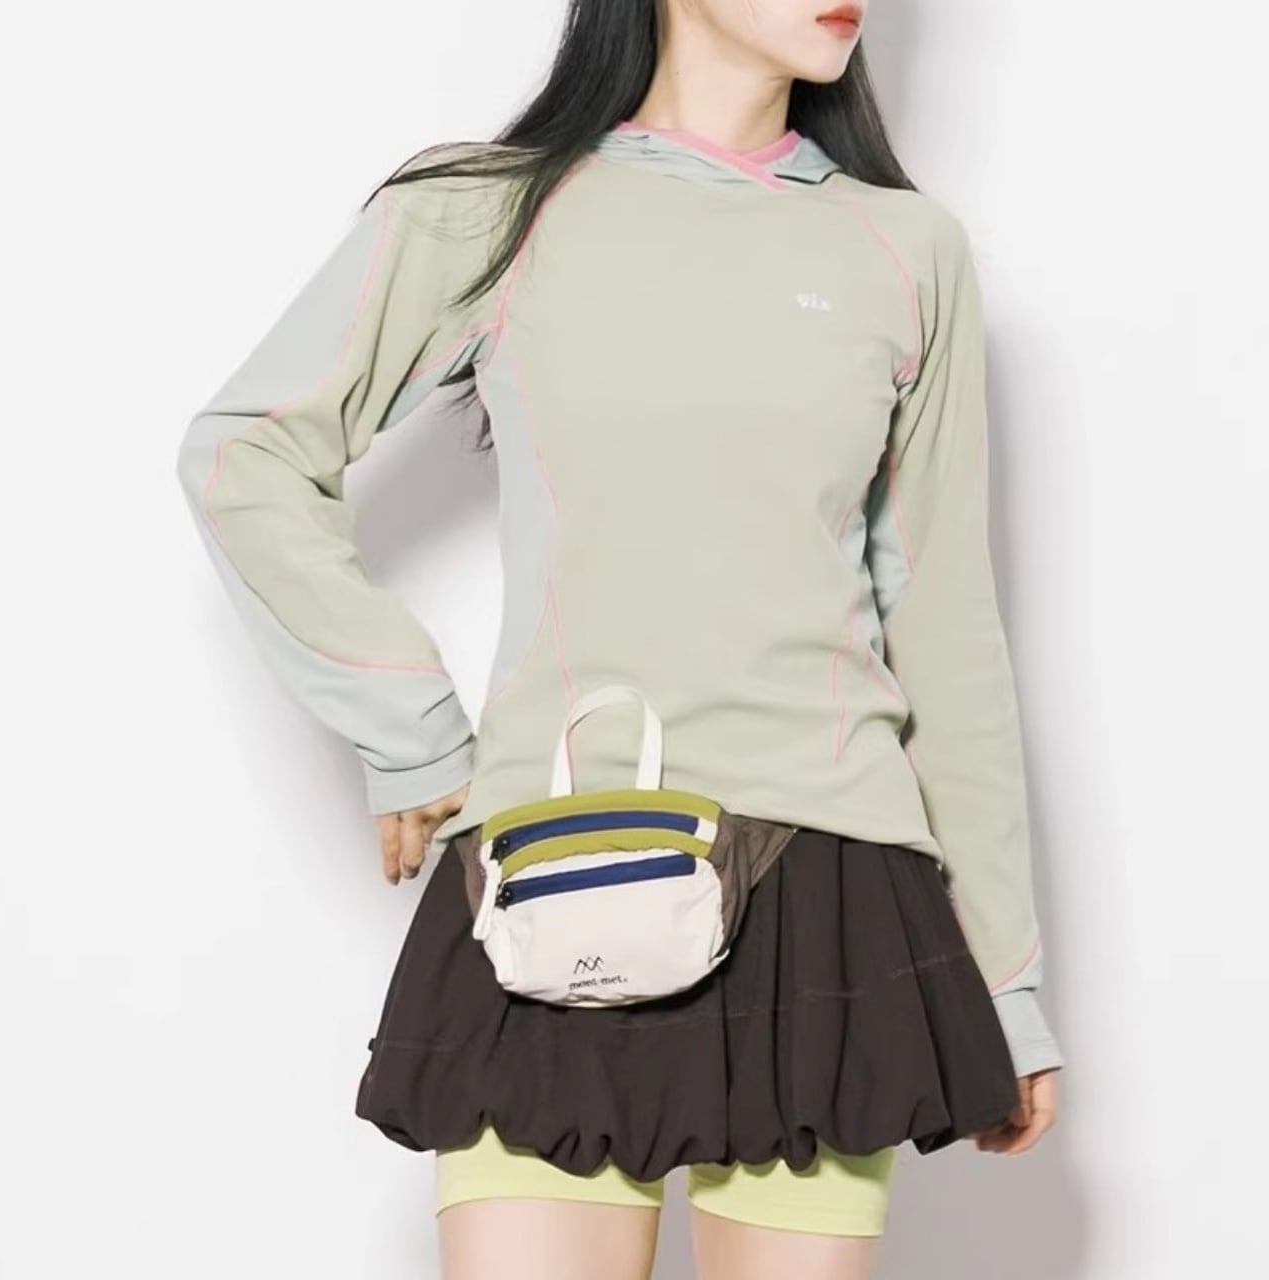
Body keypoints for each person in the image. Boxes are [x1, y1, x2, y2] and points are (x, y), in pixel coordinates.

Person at [176, 1, 1065, 1275]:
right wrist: (408, 729)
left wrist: (1006, 986)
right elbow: (245, 454)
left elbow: (945, 628)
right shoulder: (489, 212)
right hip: (556, 868)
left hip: (829, 890)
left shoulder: (906, 247)